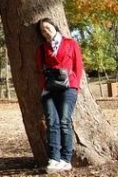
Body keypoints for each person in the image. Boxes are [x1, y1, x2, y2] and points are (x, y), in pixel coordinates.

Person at [36, 17, 84, 174]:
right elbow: (39, 70)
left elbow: (78, 66)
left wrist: (75, 87)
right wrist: (44, 87)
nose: (46, 32)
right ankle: (54, 158)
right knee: (52, 122)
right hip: (49, 90)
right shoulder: (42, 49)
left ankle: (65, 159)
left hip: (68, 88)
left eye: (48, 28)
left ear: (55, 27)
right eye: (42, 30)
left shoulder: (71, 44)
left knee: (64, 121)